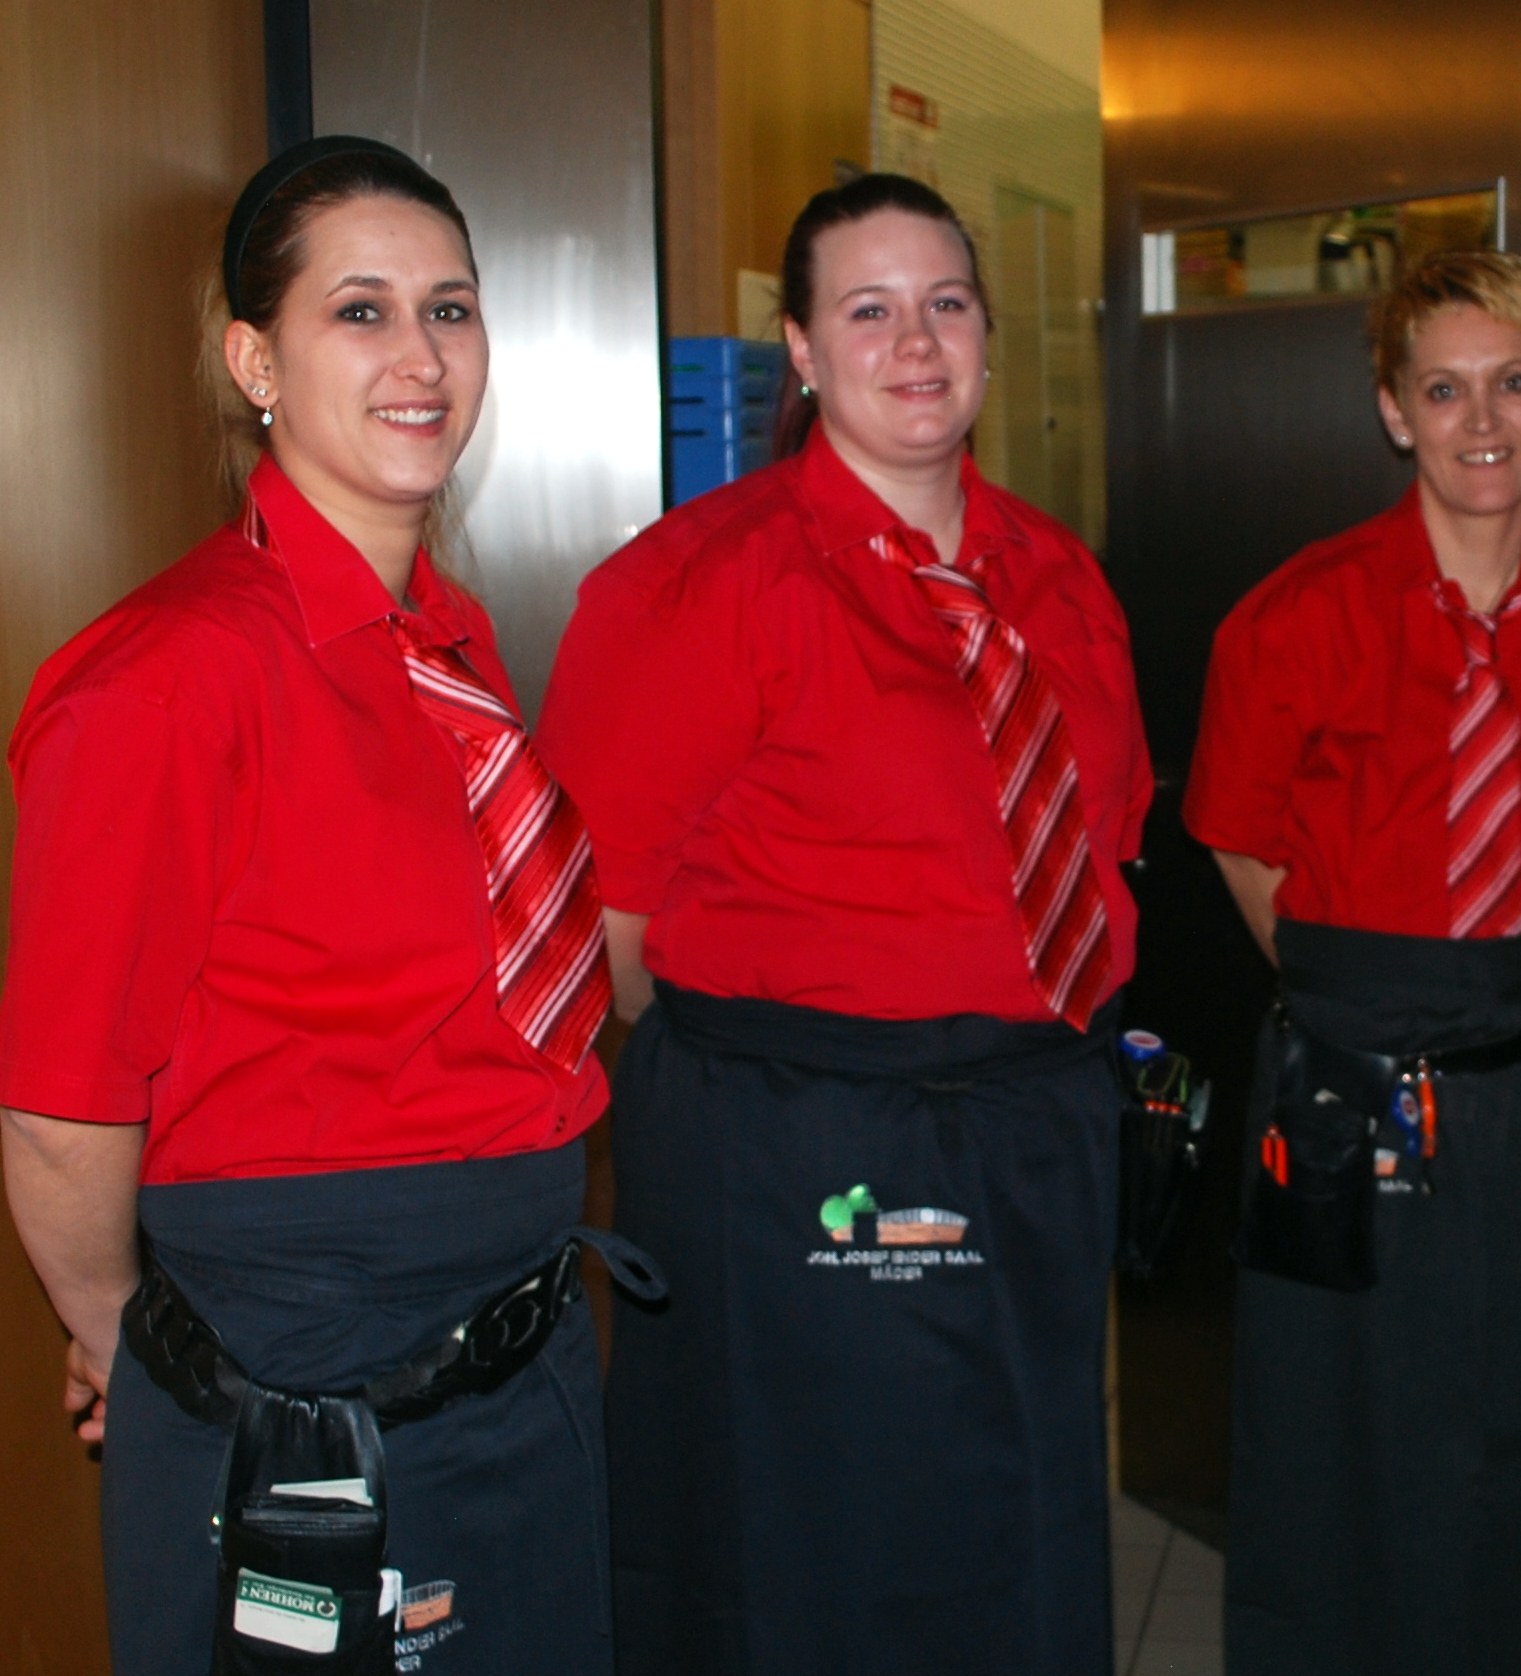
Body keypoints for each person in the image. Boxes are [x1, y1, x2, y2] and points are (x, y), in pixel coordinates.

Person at [0, 136, 636, 1675]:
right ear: (254, 360)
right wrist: (128, 1338)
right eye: (362, 311)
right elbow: (62, 1111)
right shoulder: (166, 682)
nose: (421, 356)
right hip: (300, 1376)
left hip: (521, 1353)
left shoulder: (450, 644)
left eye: (450, 308)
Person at [535, 172, 1152, 1674]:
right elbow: (602, 931)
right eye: (868, 311)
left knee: (1021, 1532)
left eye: (946, 304)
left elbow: (1102, 850)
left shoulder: (1060, 580)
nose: (916, 343)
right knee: (821, 1558)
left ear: (989, 336)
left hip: (1035, 1128)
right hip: (801, 1146)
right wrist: (780, 1095)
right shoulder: (697, 582)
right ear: (803, 352)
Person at [1185, 249, 1521, 1676]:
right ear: (1395, 411)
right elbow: (1240, 845)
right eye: (1445, 390)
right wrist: (1364, 1013)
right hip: (1347, 1081)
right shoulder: (1292, 617)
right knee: (1333, 1439)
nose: (1482, 422)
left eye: (1511, 384)